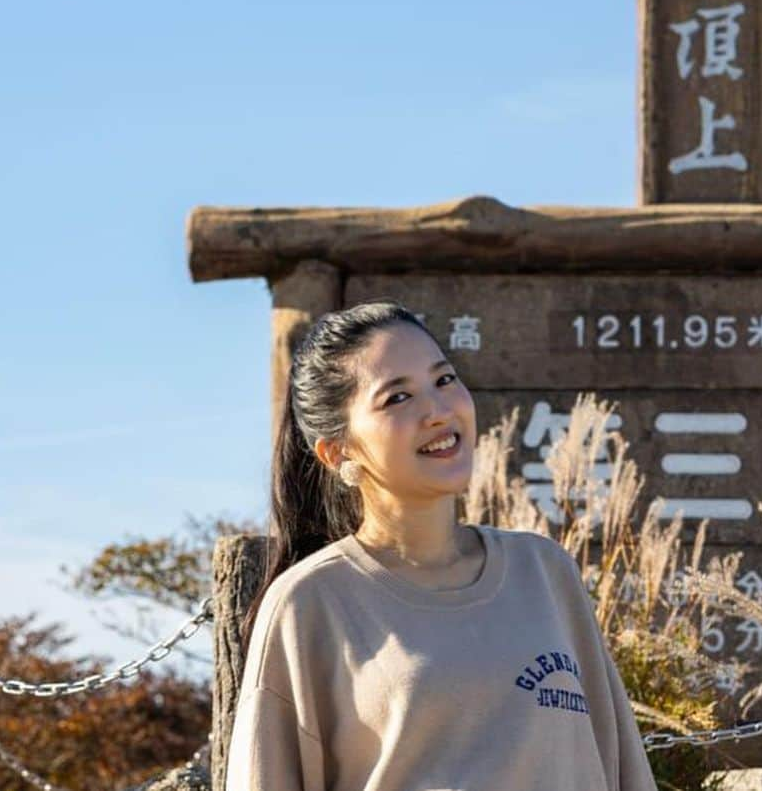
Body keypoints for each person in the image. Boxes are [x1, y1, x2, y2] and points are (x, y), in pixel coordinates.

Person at [225, 300, 659, 791]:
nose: (437, 411)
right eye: (397, 398)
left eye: (444, 380)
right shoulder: (309, 603)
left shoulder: (544, 572)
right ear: (338, 451)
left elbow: (621, 768)